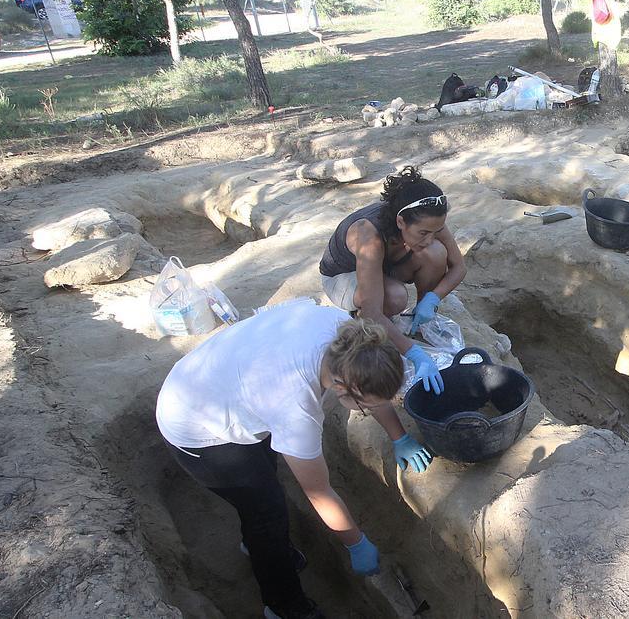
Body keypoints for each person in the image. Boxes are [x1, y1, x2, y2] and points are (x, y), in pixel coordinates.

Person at [155, 302, 434, 619]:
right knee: (266, 511)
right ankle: (284, 606)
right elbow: (318, 491)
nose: (370, 410)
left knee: (264, 482)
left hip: (220, 384)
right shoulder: (294, 404)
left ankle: (262, 546)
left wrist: (399, 436)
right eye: (365, 408)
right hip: (194, 427)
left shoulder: (349, 336)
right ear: (342, 389)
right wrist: (355, 543)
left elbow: (373, 388)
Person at [319, 166, 468, 395]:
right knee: (394, 298)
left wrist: (432, 298)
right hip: (342, 277)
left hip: (384, 267)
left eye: (436, 231)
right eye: (423, 233)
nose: (430, 238)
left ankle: (417, 319)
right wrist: (414, 354)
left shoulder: (428, 220)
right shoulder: (369, 235)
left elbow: (459, 267)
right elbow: (372, 311)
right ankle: (375, 329)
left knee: (435, 253)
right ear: (400, 222)